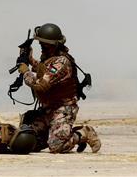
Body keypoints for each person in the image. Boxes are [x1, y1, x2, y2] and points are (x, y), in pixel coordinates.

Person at [16, 22, 101, 153]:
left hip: (63, 109)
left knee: (56, 146)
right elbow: (42, 70)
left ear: (55, 45)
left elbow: (40, 86)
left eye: (45, 44)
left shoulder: (62, 62)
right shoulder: (50, 58)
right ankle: (58, 134)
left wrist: (25, 71)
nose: (42, 47)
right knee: (27, 140)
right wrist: (28, 59)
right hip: (47, 110)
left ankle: (83, 133)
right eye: (41, 44)